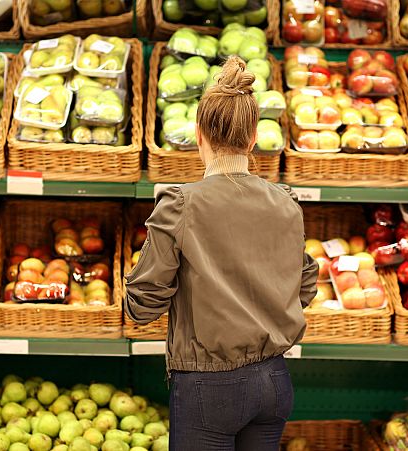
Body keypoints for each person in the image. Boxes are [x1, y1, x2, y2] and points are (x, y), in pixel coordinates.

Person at [124, 55, 319, 451]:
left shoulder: (180, 204)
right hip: (274, 381)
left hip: (207, 389)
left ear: (199, 135)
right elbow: (306, 282)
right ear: (252, 140)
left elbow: (142, 305)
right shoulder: (286, 202)